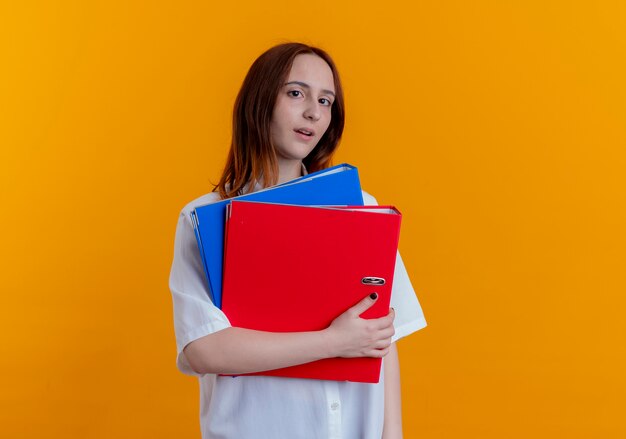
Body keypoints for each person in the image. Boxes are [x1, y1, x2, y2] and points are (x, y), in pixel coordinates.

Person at [169, 42, 427, 439]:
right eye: (296, 93)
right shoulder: (205, 218)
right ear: (259, 101)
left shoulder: (361, 209)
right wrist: (333, 342)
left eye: (326, 101)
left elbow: (384, 336)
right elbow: (204, 349)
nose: (313, 112)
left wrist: (392, 434)